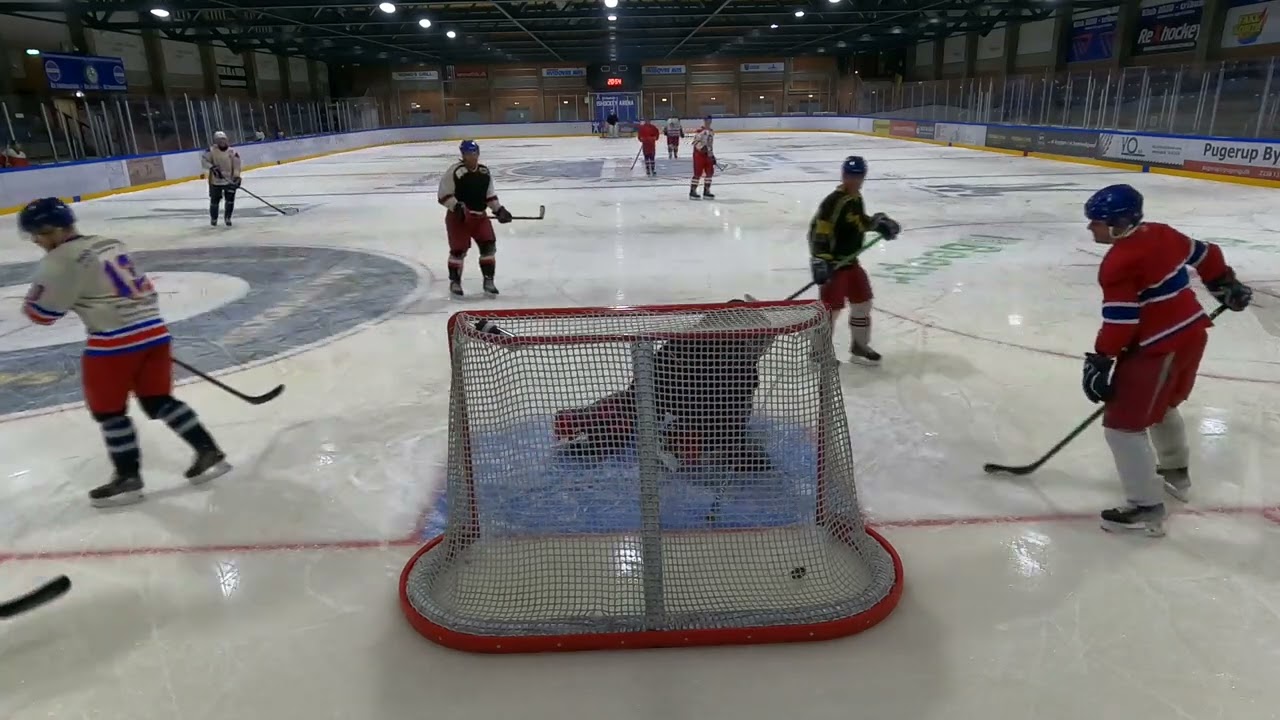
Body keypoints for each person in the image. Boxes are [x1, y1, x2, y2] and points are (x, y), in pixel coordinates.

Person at [17, 198, 230, 507]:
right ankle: (208, 451)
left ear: (52, 230)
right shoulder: (109, 243)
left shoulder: (60, 260)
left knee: (110, 412)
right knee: (158, 400)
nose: (36, 241)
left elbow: (42, 314)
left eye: (37, 234)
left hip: (113, 345)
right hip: (155, 333)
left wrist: (38, 300)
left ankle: (128, 478)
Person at [1080, 184, 1251, 537]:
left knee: (1122, 427)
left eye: (1096, 221)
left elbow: (1121, 321)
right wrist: (1224, 283)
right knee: (1163, 407)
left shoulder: (1118, 262)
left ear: (1117, 224)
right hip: (1192, 335)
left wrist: (1101, 358)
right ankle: (1176, 475)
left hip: (1159, 348)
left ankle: (1145, 507)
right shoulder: (1161, 232)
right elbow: (1206, 253)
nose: (1090, 227)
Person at [552, 299, 775, 472]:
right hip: (690, 407)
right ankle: (680, 440)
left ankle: (598, 419)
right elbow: (733, 419)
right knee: (739, 450)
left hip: (668, 394)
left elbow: (645, 385)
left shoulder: (687, 341)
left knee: (636, 404)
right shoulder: (739, 366)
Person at [807, 156, 900, 363]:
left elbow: (858, 222)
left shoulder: (855, 199)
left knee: (863, 303)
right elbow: (819, 231)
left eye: (858, 176)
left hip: (851, 263)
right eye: (850, 176)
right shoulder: (834, 202)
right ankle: (819, 351)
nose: (854, 180)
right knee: (830, 310)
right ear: (843, 175)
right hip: (834, 265)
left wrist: (878, 224)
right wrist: (821, 259)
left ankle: (859, 345)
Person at [437, 139, 513, 297]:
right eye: (467, 154)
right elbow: (443, 195)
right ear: (462, 155)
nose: (471, 157)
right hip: (459, 219)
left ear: (478, 153)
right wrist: (456, 207)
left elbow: (489, 196)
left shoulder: (484, 172)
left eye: (473, 153)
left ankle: (488, 280)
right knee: (458, 251)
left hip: (480, 218)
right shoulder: (455, 172)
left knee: (488, 246)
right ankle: (455, 282)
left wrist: (499, 210)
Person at [201, 130, 241, 227]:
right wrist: (212, 167)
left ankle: (228, 218)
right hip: (215, 181)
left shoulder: (232, 152)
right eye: (219, 140)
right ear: (216, 141)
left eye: (223, 139)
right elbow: (204, 161)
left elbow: (236, 165)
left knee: (230, 200)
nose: (222, 141)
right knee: (214, 200)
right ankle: (214, 218)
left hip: (229, 180)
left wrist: (236, 177)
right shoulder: (211, 151)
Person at [689, 116, 715, 199]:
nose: (708, 122)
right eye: (707, 120)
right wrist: (701, 148)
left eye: (710, 121)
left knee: (709, 172)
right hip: (699, 155)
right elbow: (695, 142)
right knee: (697, 173)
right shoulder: (700, 131)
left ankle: (706, 191)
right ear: (704, 121)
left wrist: (712, 155)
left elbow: (710, 145)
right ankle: (692, 191)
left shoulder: (711, 131)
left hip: (708, 155)